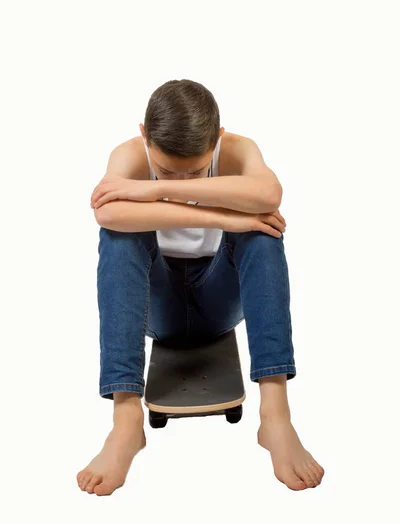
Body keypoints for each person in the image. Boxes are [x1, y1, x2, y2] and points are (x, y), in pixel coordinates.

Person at [77, 79, 325, 496]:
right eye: (166, 168)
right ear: (144, 135)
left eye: (195, 170)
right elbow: (107, 214)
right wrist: (225, 217)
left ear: (218, 139)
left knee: (263, 232)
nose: (180, 176)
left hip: (219, 300)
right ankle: (125, 423)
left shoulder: (239, 149)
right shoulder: (127, 154)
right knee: (119, 237)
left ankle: (276, 416)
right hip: (158, 306)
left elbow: (269, 193)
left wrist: (158, 188)